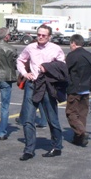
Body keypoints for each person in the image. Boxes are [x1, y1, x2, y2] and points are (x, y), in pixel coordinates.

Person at [17, 24, 66, 161]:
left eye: (43, 35)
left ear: (49, 36)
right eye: (38, 34)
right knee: (28, 119)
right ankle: (29, 150)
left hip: (47, 85)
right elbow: (20, 60)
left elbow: (62, 66)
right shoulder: (30, 47)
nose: (40, 37)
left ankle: (57, 147)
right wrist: (25, 73)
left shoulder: (56, 49)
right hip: (32, 85)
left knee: (52, 119)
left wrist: (47, 68)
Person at [65, 34, 91, 146]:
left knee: (71, 113)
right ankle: (78, 139)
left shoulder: (72, 56)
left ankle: (81, 132)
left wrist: (68, 82)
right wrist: (89, 79)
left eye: (70, 44)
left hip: (74, 89)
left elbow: (65, 72)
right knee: (82, 114)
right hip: (86, 89)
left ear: (73, 43)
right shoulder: (90, 55)